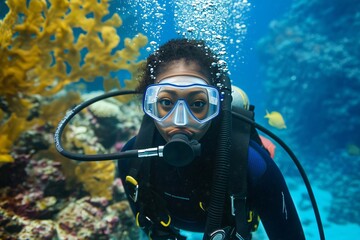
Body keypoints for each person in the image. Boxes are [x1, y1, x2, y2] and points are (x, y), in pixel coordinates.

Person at [117, 38, 305, 240]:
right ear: (150, 105)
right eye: (166, 102)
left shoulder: (253, 165)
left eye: (197, 104)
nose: (181, 121)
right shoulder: (132, 159)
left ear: (216, 106)